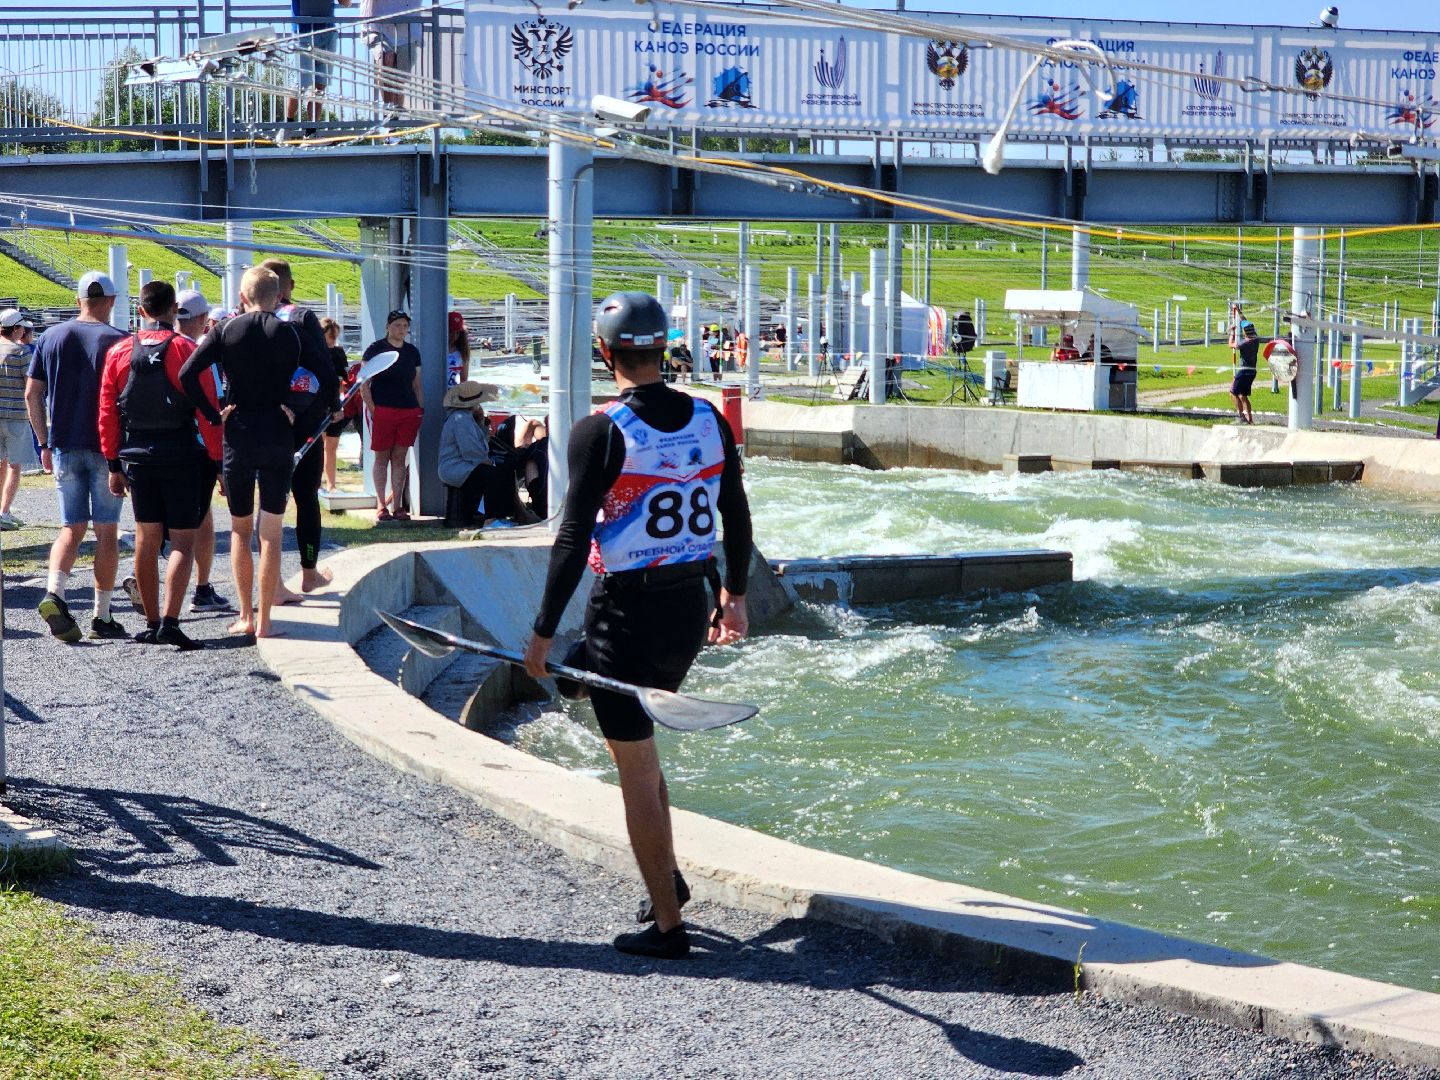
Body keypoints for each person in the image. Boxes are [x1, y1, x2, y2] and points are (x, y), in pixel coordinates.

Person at [523, 291, 751, 960]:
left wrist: (540, 632)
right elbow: (735, 515)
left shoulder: (604, 430)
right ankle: (667, 879)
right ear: (663, 350)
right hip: (688, 607)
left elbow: (571, 540)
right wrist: (734, 594)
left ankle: (668, 928)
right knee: (640, 751)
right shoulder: (710, 419)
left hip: (625, 610)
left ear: (605, 352)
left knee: (632, 766)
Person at [179, 266, 335, 638]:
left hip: (239, 431)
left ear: (243, 297)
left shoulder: (225, 329)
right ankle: (265, 621)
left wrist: (213, 414)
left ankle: (246, 616)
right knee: (272, 531)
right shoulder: (290, 331)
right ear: (279, 296)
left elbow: (188, 373)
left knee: (239, 529)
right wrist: (297, 409)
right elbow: (326, 377)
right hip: (278, 432)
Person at [97, 281, 219, 651]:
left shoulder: (120, 350)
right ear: (171, 310)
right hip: (181, 454)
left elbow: (107, 412)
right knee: (182, 539)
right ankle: (171, 621)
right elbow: (208, 409)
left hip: (137, 457)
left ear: (142, 309)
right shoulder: (185, 348)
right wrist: (218, 460)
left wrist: (113, 464)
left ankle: (150, 622)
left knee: (146, 538)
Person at [24, 272, 129, 643]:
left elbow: (32, 394)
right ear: (112, 301)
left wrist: (44, 442)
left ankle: (55, 593)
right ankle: (102, 616)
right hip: (106, 448)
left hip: (63, 443)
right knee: (106, 533)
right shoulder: (120, 341)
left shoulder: (50, 337)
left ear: (78, 298)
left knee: (71, 527)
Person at [261, 258, 337, 594]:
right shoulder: (303, 317)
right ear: (289, 286)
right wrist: (333, 406)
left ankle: (273, 581)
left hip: (264, 420)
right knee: (307, 498)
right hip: (305, 421)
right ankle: (308, 572)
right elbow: (323, 364)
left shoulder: (247, 318)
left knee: (270, 502)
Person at [174, 288, 231, 614]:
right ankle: (201, 588)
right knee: (200, 518)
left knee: (154, 524)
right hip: (196, 449)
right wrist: (221, 461)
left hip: (150, 446)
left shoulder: (143, 345)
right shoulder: (200, 354)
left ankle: (150, 587)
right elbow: (212, 409)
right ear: (201, 319)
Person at [361, 309, 422, 522]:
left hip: (408, 409)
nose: (401, 330)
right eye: (397, 325)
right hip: (383, 409)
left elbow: (416, 384)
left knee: (399, 457)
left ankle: (397, 506)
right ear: (388, 327)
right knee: (381, 457)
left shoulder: (412, 352)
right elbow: (364, 382)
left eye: (405, 326)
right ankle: (381, 504)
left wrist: (419, 409)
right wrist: (373, 409)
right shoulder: (376, 349)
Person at [437, 380, 500, 527]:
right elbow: (472, 451)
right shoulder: (461, 419)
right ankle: (491, 517)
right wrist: (488, 462)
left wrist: (481, 422)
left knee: (493, 472)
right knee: (494, 475)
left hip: (459, 465)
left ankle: (483, 515)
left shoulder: (464, 417)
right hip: (456, 467)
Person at [288, 0, 352, 129]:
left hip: (327, 33)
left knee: (320, 85)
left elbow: (346, 2)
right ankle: (288, 123)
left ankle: (311, 131)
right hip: (303, 32)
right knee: (302, 83)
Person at [0, 309, 35, 530]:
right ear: (17, 329)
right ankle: (4, 512)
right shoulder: (21, 353)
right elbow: (31, 386)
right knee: (15, 466)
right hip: (16, 416)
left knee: (1, 464)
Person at [361, 0, 423, 115]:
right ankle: (389, 110)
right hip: (378, 26)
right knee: (386, 61)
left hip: (407, 28)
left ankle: (394, 119)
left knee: (399, 78)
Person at [320, 316, 359, 493]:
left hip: (335, 403)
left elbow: (343, 379)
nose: (334, 340)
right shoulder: (314, 353)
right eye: (331, 336)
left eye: (335, 337)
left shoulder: (338, 353)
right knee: (318, 446)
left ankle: (332, 484)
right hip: (318, 405)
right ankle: (317, 482)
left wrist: (341, 400)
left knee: (332, 447)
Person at [1232, 319, 1261, 425]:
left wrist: (1232, 332)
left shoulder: (1244, 343)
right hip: (1252, 371)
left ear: (1244, 332)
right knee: (1243, 396)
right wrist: (1239, 311)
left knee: (1233, 393)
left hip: (1244, 371)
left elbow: (1231, 345)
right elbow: (1244, 320)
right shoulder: (1256, 339)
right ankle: (1250, 419)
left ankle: (1241, 417)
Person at [446, 310, 470, 386]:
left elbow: (464, 379)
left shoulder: (462, 351)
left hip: (452, 393)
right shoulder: (434, 349)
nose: (454, 336)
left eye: (457, 332)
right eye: (450, 331)